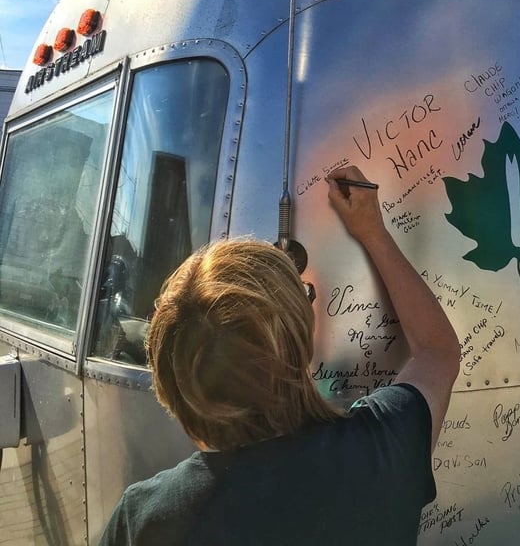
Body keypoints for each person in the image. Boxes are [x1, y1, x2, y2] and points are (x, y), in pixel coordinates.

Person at [99, 165, 460, 545]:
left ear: (169, 380)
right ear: (302, 344)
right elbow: (438, 350)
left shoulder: (143, 521)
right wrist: (374, 232)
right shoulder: (379, 452)